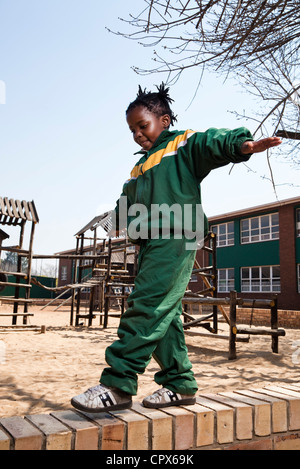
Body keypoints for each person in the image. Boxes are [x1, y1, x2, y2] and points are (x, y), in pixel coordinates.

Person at [71, 84, 281, 412]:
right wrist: (111, 226)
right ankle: (180, 384)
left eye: (143, 125)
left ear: (164, 120)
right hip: (152, 241)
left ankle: (118, 384)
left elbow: (211, 141)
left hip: (179, 232)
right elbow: (125, 204)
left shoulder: (182, 144)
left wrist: (242, 145)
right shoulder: (139, 168)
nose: (138, 134)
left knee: (148, 305)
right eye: (132, 130)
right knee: (164, 313)